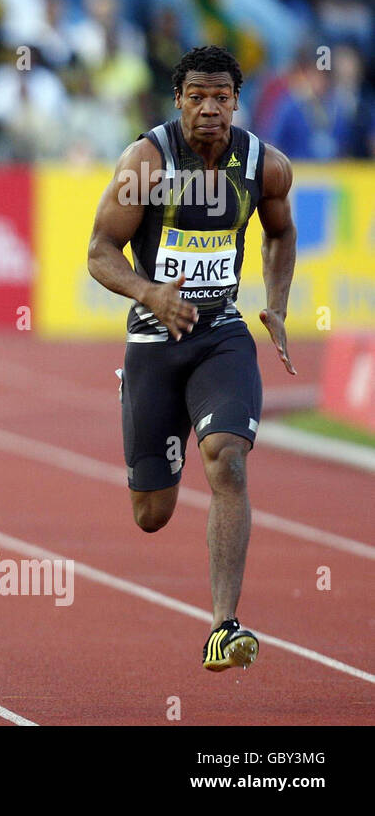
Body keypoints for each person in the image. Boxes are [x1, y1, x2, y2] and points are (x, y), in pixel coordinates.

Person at [87, 45, 296, 671]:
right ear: (177, 100)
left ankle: (223, 626)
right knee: (152, 514)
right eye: (197, 97)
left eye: (222, 97)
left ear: (237, 100)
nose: (210, 109)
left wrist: (277, 304)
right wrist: (151, 292)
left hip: (222, 334)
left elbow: (281, 232)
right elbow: (100, 252)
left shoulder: (265, 165)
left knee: (227, 461)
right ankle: (151, 405)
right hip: (155, 340)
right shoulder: (146, 160)